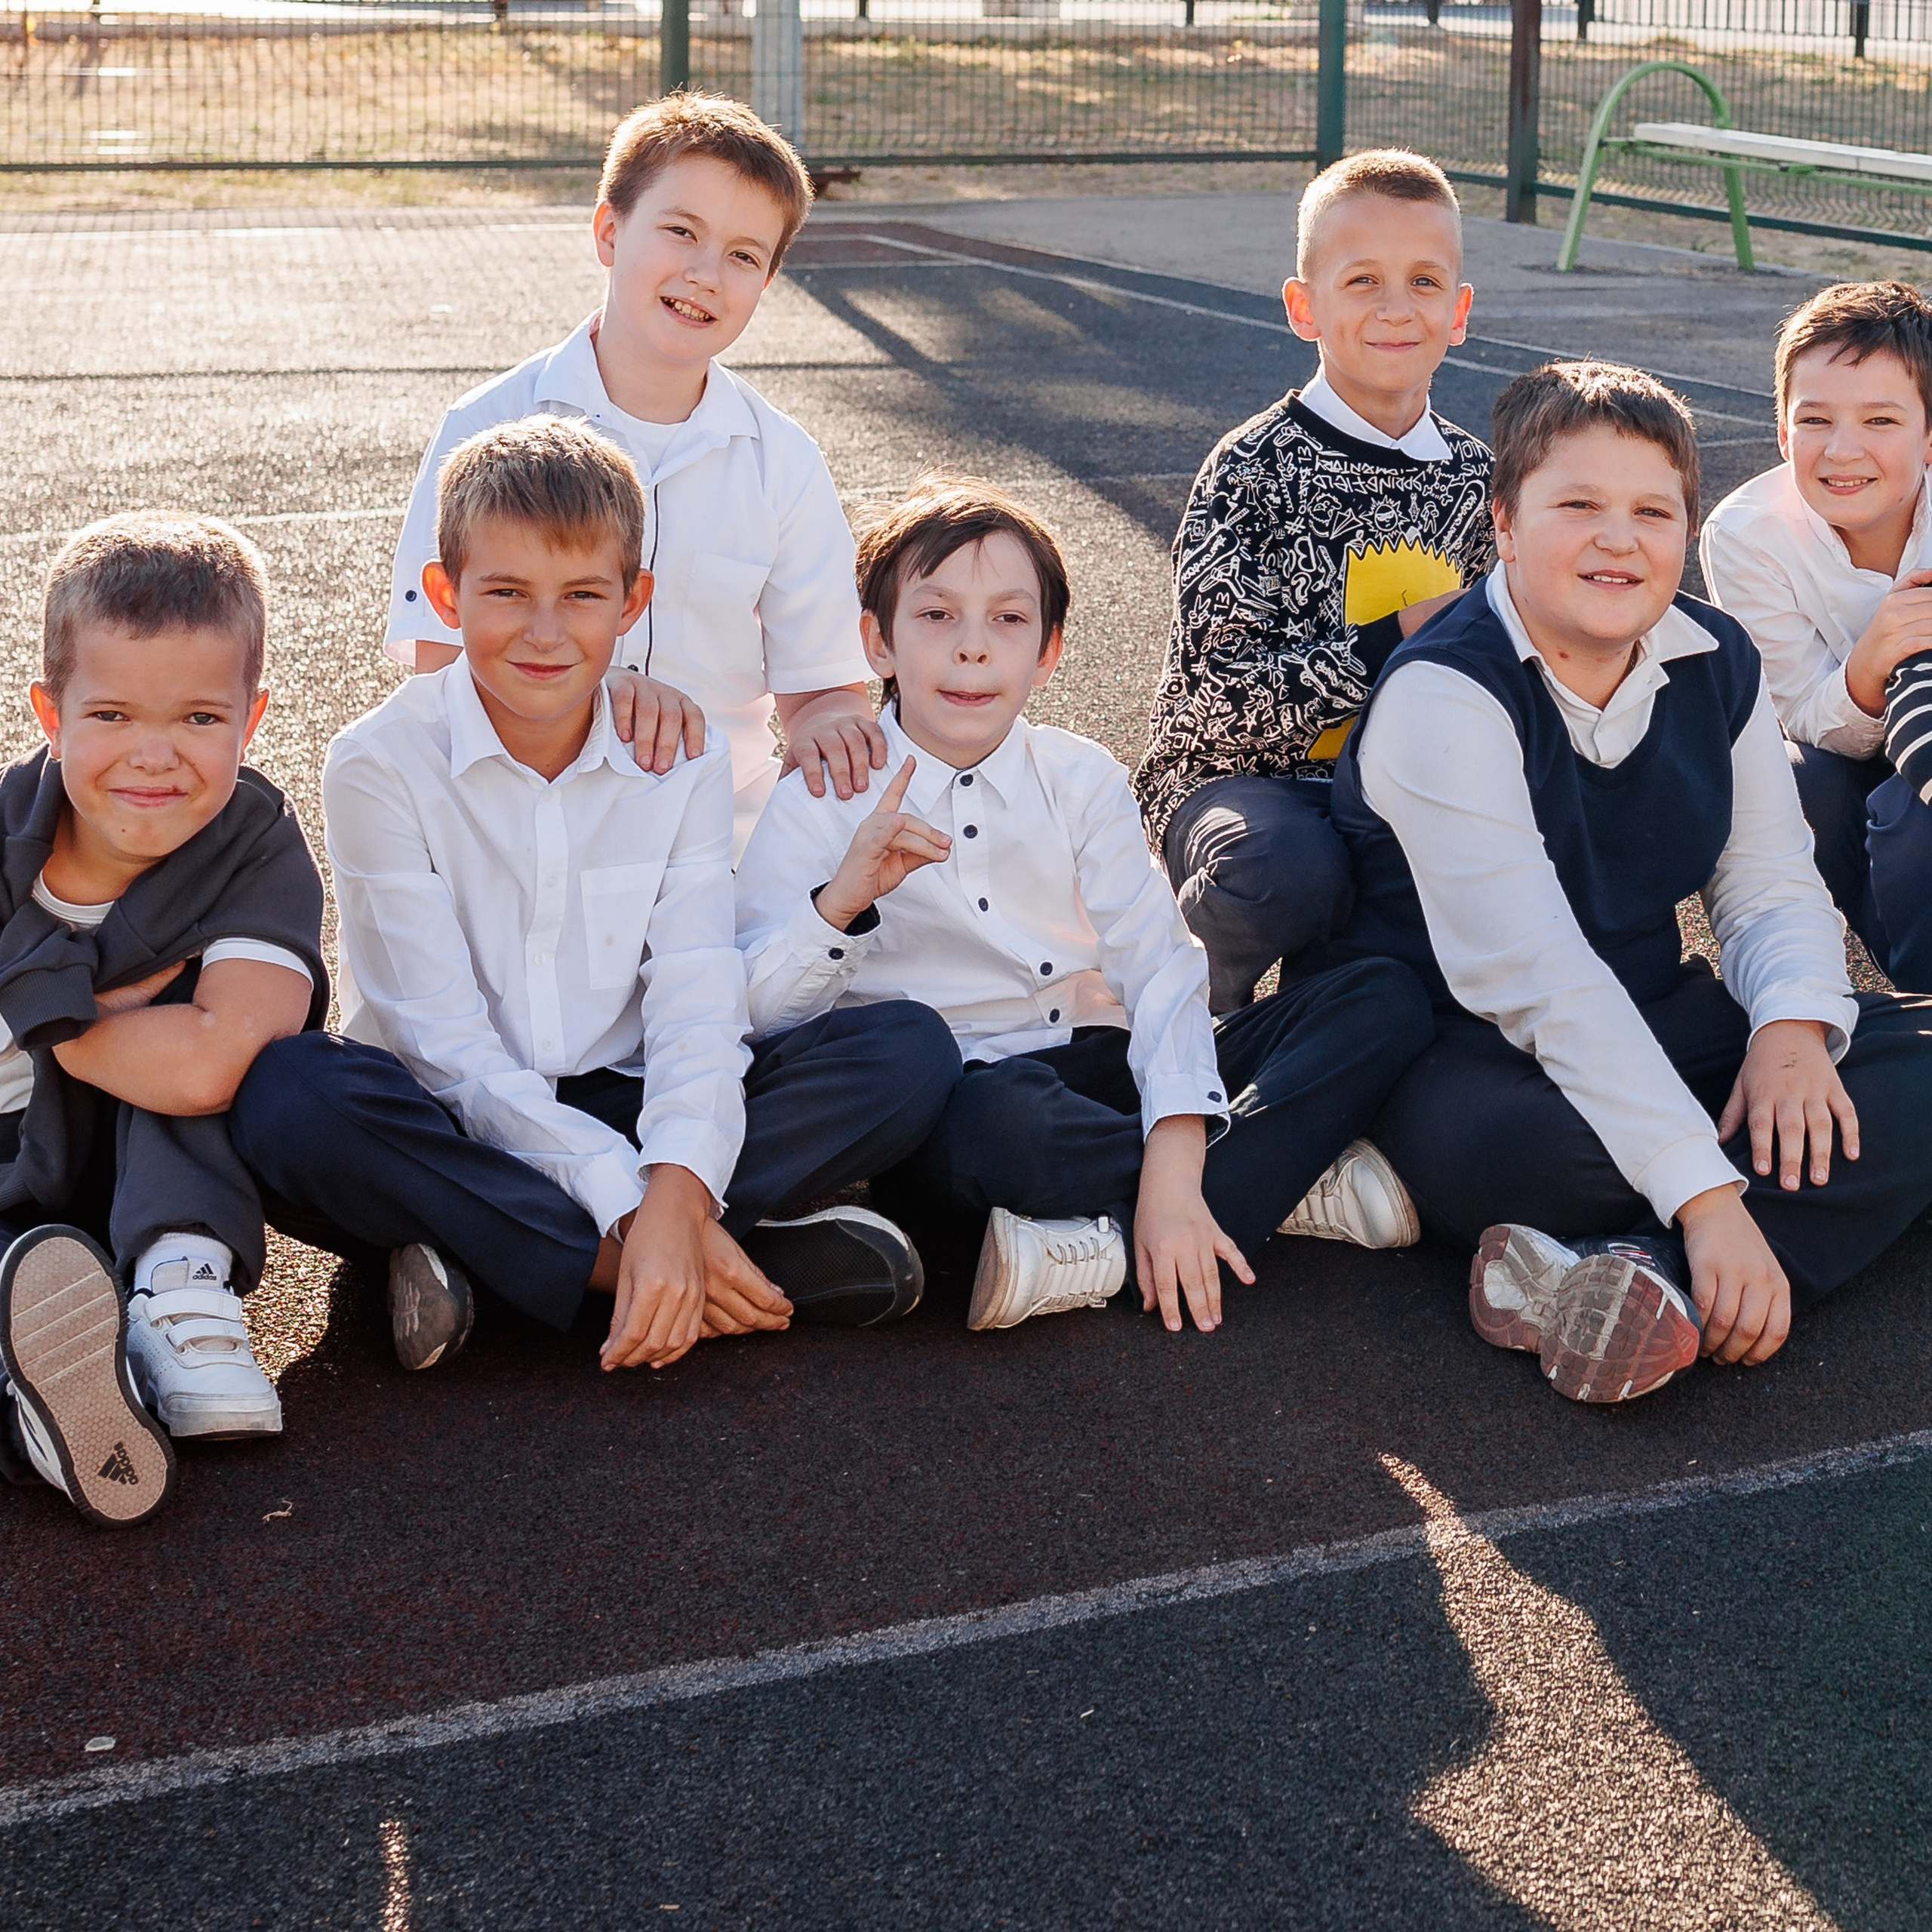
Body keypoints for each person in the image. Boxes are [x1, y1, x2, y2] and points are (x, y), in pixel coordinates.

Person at [231, 418, 961, 1376]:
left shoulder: (680, 751)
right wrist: (637, 1206)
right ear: (446, 597)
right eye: (506, 594)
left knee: (904, 1050)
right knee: (287, 1098)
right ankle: (659, 1267)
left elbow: (697, 996)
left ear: (632, 602)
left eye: (581, 596)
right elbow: (444, 1047)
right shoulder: (377, 763)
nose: (544, 631)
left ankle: (493, 1257)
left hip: (629, 1093)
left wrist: (672, 1177)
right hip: (450, 1108)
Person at [1323, 360, 1932, 1406]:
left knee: (1883, 1064)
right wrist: (1703, 1197)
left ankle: (1640, 1291)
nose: (1621, 538)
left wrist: (1790, 1031)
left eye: (1654, 510)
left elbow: (1769, 884)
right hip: (1463, 1048)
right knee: (1558, 1160)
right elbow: (1539, 976)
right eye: (1579, 505)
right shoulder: (1443, 694)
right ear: (1505, 526)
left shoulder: (1715, 657)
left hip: (1654, 1010)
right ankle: (1703, 1254)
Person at [735, 476, 1435, 1337]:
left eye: (1008, 619)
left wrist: (1176, 1157)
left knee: (1380, 996)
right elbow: (755, 1016)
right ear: (877, 642)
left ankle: (1121, 1233)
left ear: (1050, 650)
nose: (972, 649)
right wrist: (838, 905)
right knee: (1002, 1127)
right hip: (965, 1101)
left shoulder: (1081, 777)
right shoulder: (821, 789)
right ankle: (1274, 1185)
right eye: (935, 616)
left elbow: (1159, 965)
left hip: (1097, 1066)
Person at [383, 93, 885, 857]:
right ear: (609, 231)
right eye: (681, 231)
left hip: (719, 845)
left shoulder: (782, 461)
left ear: (766, 282)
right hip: (517, 838)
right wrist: (593, 696)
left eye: (744, 255)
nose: (705, 273)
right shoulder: (484, 429)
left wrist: (833, 735)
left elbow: (823, 684)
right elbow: (440, 666)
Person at [0, 515, 327, 1528]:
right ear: (50, 715)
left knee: (202, 1036)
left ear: (252, 718)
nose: (155, 757)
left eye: (197, 719)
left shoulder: (256, 848)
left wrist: (34, 1009)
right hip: (15, 1175)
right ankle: (48, 1412)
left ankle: (180, 1300)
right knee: (22, 1278)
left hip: (160, 1175)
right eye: (113, 716)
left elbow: (208, 1068)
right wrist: (104, 1015)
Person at [1134, 149, 1495, 1014]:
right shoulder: (1252, 469)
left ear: (1459, 312)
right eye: (1362, 280)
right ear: (1305, 307)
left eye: (1423, 281)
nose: (1396, 307)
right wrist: (1393, 639)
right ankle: (1192, 986)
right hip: (1240, 783)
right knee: (1283, 873)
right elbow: (1221, 697)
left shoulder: (1481, 481)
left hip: (1395, 785)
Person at [1700, 281, 1932, 990]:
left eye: (1882, 422)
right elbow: (1797, 713)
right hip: (1842, 750)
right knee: (1801, 786)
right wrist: (1873, 660)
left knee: (1911, 821)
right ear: (1780, 432)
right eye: (1815, 420)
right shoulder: (1747, 536)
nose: (1842, 450)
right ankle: (1910, 988)